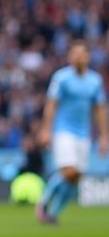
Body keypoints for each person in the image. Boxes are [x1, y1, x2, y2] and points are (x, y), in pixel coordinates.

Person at [36, 40, 108, 225]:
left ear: (88, 57)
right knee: (69, 172)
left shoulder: (95, 81)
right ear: (69, 57)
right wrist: (46, 130)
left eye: (82, 53)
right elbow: (51, 104)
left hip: (84, 134)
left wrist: (104, 136)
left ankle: (53, 213)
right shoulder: (61, 78)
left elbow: (100, 109)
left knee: (76, 178)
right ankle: (44, 201)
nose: (78, 57)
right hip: (63, 131)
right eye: (74, 53)